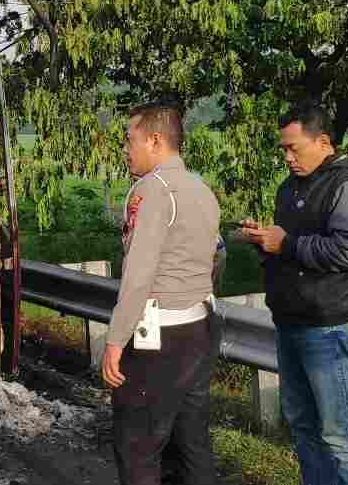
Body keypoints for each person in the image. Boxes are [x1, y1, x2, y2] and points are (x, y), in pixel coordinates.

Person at [239, 102, 348, 484]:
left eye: (294, 148)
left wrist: (287, 244)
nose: (288, 157)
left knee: (339, 432)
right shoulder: (291, 186)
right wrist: (266, 241)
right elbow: (292, 244)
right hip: (290, 320)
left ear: (323, 141)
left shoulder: (347, 184)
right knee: (303, 426)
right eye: (283, 149)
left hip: (327, 325)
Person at [101, 102, 221, 485]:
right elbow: (217, 258)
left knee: (138, 446)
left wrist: (115, 341)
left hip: (159, 339)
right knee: (192, 444)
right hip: (200, 329)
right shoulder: (201, 189)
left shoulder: (152, 191)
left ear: (154, 141)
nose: (125, 149)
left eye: (129, 140)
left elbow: (138, 275)